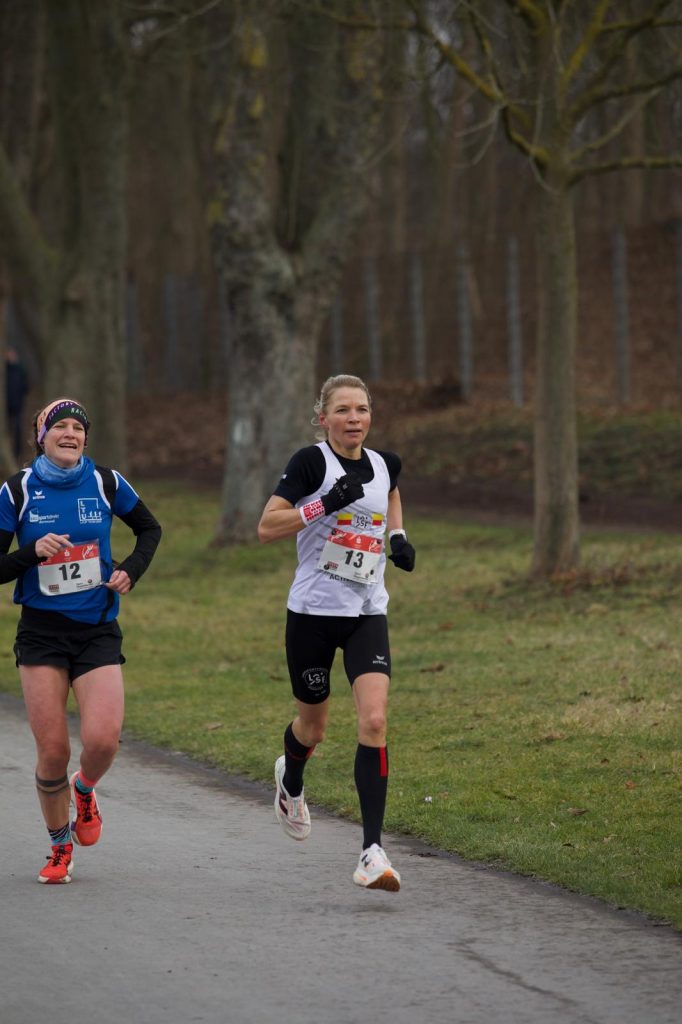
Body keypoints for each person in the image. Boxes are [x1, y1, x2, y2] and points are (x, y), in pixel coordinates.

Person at [257, 374, 415, 892]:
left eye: (363, 409)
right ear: (323, 418)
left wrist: (397, 537)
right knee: (314, 729)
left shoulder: (383, 462)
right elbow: (267, 527)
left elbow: (389, 490)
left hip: (367, 610)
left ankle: (372, 851)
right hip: (312, 614)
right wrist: (323, 503)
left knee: (374, 720)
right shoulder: (310, 463)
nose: (354, 419)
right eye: (343, 410)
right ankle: (292, 777)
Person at [0, 398, 162, 884]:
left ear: (86, 439)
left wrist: (130, 570)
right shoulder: (17, 490)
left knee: (102, 740)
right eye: (59, 426)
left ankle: (85, 789)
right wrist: (29, 553)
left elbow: (150, 529)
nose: (70, 433)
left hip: (96, 632)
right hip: (42, 636)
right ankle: (58, 848)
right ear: (41, 435)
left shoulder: (106, 483)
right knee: (52, 751)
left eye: (78, 427)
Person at [5, 346, 29, 461]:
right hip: (6, 406)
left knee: (18, 429)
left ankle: (17, 453)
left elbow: (26, 386)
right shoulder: (5, 369)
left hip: (18, 404)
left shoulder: (21, 369)